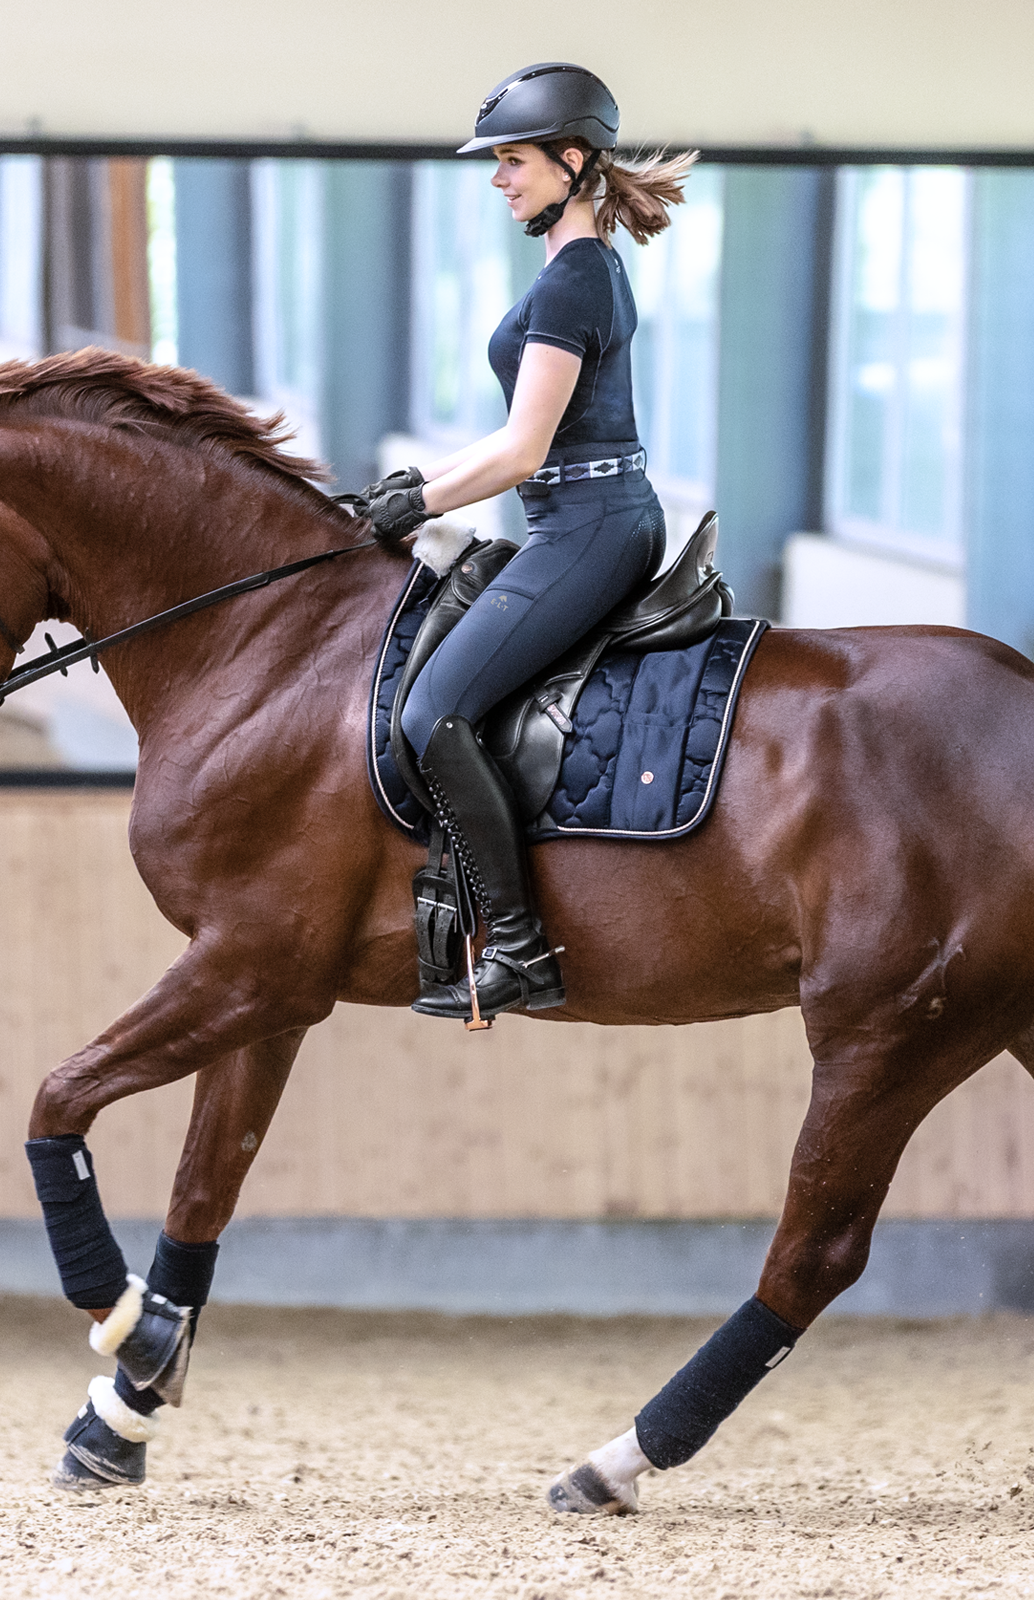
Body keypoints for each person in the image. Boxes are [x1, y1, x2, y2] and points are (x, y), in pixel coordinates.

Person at [366, 61, 697, 1023]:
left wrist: (417, 503)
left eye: (512, 161)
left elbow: (523, 449)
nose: (500, 179)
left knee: (434, 715)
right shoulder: (572, 273)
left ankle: (517, 949)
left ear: (571, 160)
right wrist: (414, 485)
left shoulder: (574, 284)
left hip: (588, 526)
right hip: (587, 516)